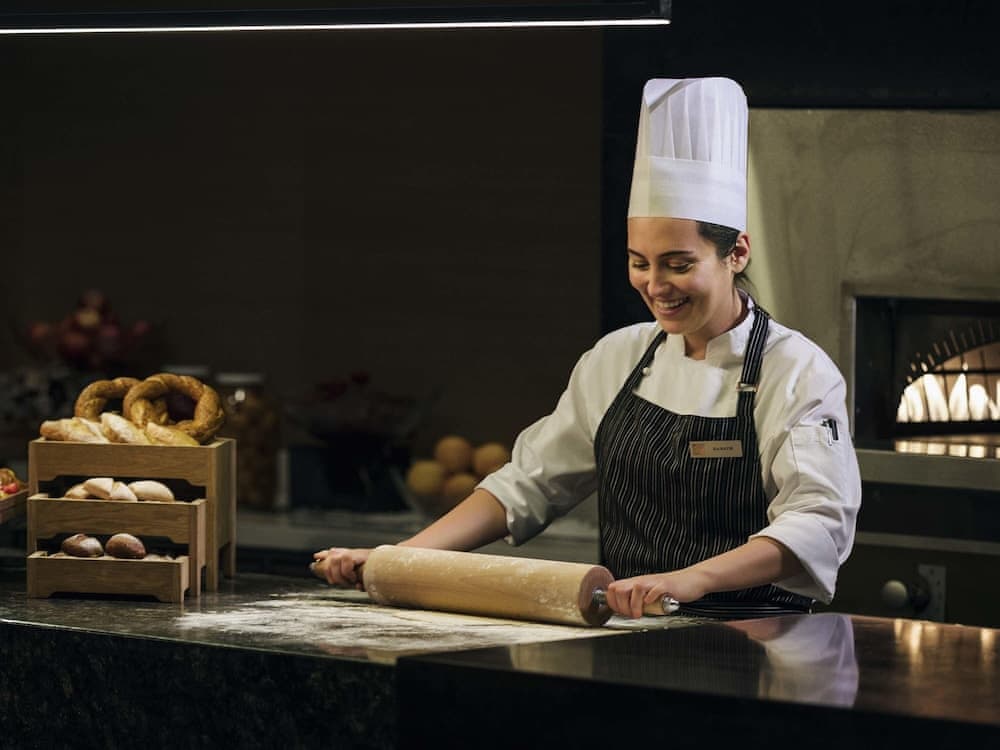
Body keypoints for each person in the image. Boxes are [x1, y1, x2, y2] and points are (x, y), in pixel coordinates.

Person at [313, 77, 861, 619]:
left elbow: (817, 523)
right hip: (634, 636)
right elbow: (529, 484)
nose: (655, 285)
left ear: (736, 253)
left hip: (759, 639)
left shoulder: (795, 371)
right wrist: (397, 559)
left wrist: (687, 581)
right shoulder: (618, 359)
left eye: (678, 264)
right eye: (639, 263)